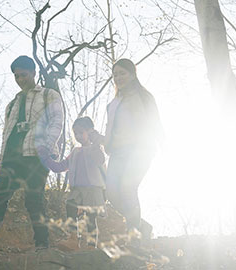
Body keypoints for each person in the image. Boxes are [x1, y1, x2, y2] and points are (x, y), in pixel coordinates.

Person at [0, 56, 64, 251]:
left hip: (36, 154)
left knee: (34, 198)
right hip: (12, 157)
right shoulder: (12, 104)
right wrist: (1, 161)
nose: (20, 79)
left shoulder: (49, 94)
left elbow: (57, 121)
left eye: (23, 75)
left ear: (33, 73)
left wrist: (46, 147)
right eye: (16, 76)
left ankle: (42, 243)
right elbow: (6, 133)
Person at [89, 58, 164, 242]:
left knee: (128, 188)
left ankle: (134, 237)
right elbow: (113, 133)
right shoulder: (114, 104)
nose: (118, 77)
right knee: (112, 194)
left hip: (141, 149)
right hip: (118, 152)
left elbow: (155, 123)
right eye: (115, 74)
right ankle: (142, 226)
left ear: (132, 74)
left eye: (122, 73)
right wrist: (99, 139)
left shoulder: (144, 97)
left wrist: (162, 143)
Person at [39, 116, 106, 250]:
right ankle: (73, 238)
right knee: (70, 206)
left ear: (90, 132)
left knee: (91, 219)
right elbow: (60, 167)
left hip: (94, 189)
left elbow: (100, 161)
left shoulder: (96, 149)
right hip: (77, 189)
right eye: (75, 133)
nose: (78, 136)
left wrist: (97, 143)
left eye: (81, 132)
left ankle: (91, 246)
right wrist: (45, 157)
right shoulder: (75, 152)